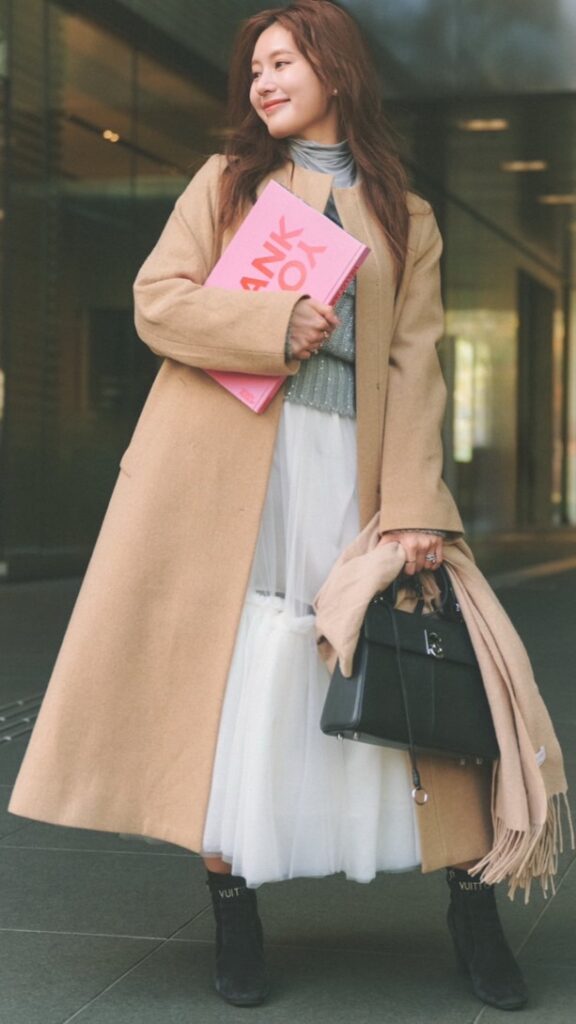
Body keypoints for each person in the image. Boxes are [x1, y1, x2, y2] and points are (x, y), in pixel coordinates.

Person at [11, 0, 569, 1013]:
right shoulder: (227, 184)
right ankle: (234, 908)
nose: (262, 82)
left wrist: (413, 508)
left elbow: (418, 370)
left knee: (402, 664)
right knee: (233, 672)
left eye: (282, 62)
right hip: (226, 472)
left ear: (337, 71)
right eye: (253, 68)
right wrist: (274, 320)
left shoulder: (411, 215)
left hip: (352, 470)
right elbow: (158, 299)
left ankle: (471, 905)